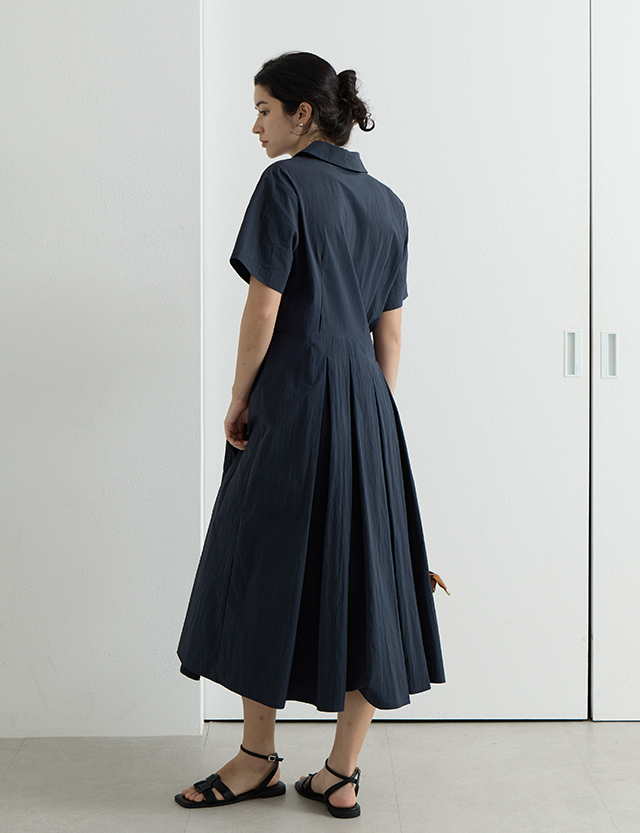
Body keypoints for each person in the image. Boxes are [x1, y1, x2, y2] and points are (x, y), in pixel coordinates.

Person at [175, 51, 449, 819]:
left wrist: (239, 397)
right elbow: (389, 333)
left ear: (302, 113)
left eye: (263, 109)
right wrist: (373, 423)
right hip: (368, 403)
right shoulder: (388, 203)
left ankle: (256, 757)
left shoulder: (285, 184)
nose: (255, 126)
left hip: (294, 395)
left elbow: (264, 307)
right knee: (370, 575)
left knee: (262, 559)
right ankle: (341, 771)